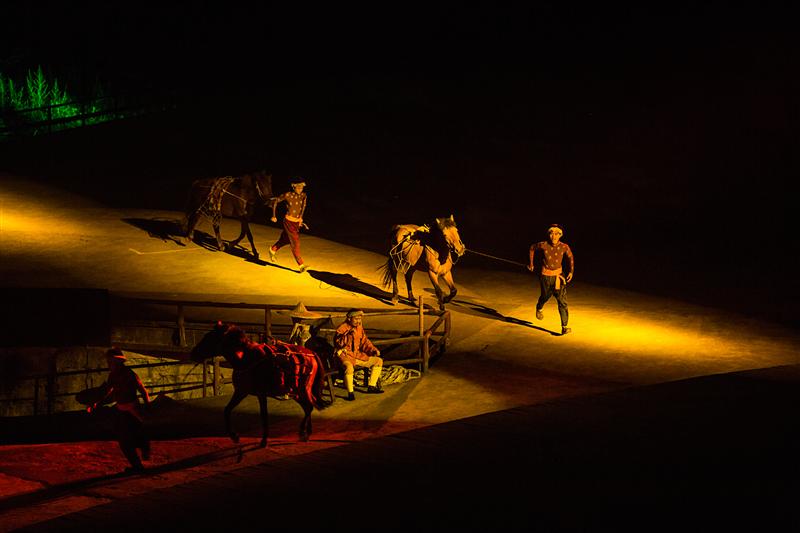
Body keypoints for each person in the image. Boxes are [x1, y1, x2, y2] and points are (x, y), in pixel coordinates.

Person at [88, 347, 152, 473]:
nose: (108, 365)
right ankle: (139, 460)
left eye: (110, 362)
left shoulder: (129, 374)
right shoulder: (113, 376)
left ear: (117, 362)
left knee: (129, 438)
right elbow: (107, 391)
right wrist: (96, 402)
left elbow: (142, 390)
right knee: (126, 440)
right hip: (122, 410)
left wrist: (148, 406)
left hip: (133, 410)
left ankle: (143, 451)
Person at [528, 224, 574, 335]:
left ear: (560, 235)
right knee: (545, 296)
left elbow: (570, 257)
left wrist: (571, 272)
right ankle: (539, 307)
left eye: (557, 233)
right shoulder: (543, 245)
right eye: (551, 233)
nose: (554, 236)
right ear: (549, 235)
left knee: (562, 301)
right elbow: (532, 248)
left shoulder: (564, 247)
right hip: (545, 277)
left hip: (559, 276)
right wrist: (531, 264)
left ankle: (564, 326)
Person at [333, 309, 384, 400]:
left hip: (356, 355)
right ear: (349, 319)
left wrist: (373, 350)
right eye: (356, 319)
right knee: (349, 367)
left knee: (378, 361)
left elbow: (364, 341)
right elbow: (338, 343)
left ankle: (371, 386)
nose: (358, 321)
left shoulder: (359, 327)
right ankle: (350, 393)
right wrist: (348, 335)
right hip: (344, 356)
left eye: (359, 319)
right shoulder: (342, 328)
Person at [269, 177, 308, 272]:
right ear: (293, 187)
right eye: (298, 187)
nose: (300, 189)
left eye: (301, 187)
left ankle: (273, 249)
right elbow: (275, 201)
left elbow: (303, 207)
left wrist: (300, 219)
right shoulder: (287, 195)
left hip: (296, 222)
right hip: (288, 222)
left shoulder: (303, 196)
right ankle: (301, 264)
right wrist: (274, 216)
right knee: (295, 242)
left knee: (286, 239)